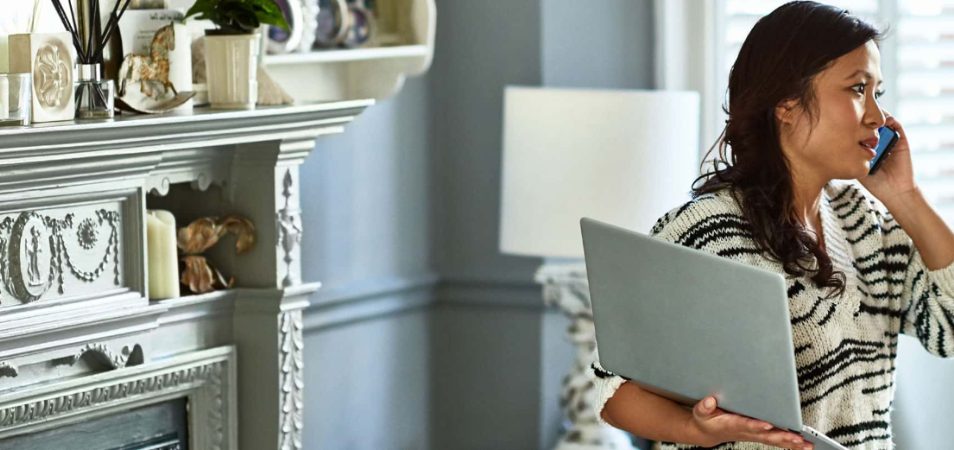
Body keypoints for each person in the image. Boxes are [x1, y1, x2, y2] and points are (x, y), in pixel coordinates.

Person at [591, 2, 954, 449]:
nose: (877, 116)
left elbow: (949, 328)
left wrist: (906, 198)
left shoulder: (866, 224)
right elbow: (612, 388)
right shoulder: (707, 232)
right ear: (786, 103)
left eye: (878, 92)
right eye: (858, 89)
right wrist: (693, 430)